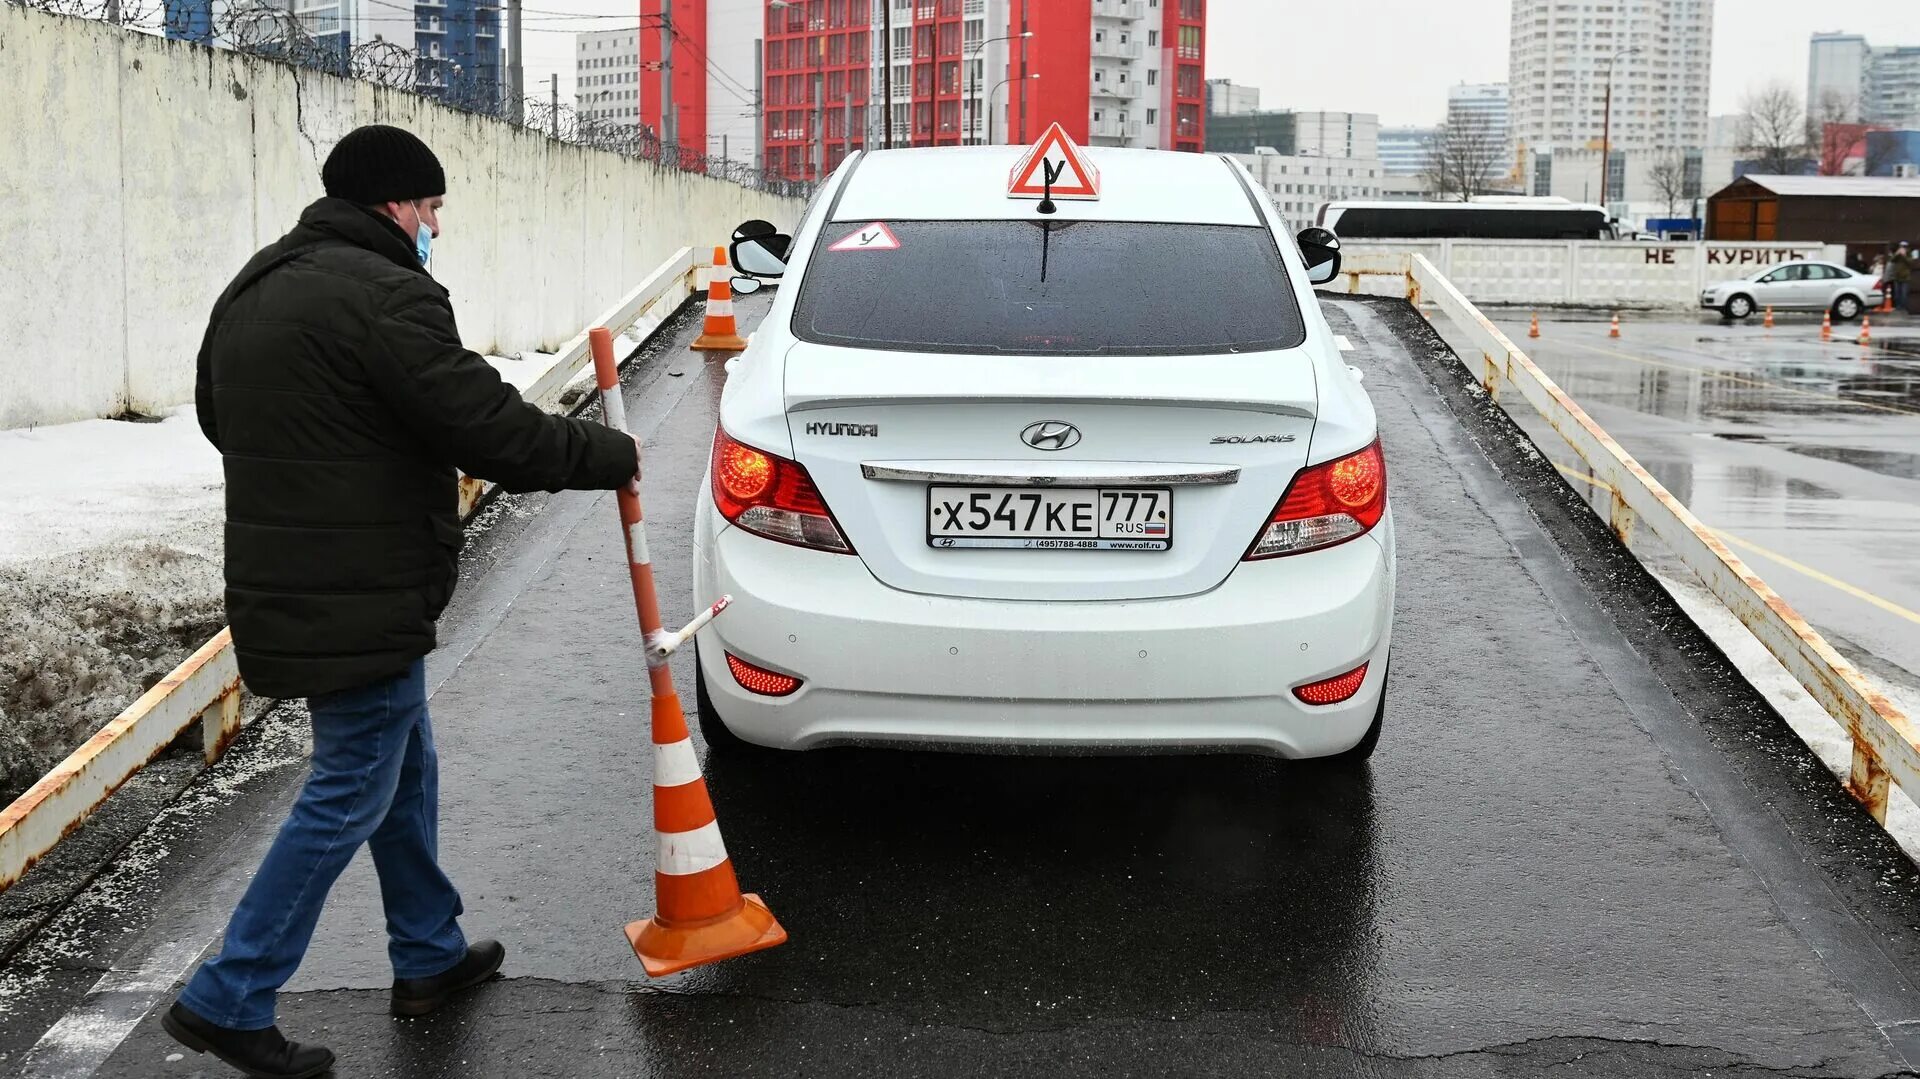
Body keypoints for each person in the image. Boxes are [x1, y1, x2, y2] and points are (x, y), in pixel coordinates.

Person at [164, 125, 643, 1079]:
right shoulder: (387, 294)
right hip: (361, 583)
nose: (434, 225)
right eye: (430, 207)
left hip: (296, 573)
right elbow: (482, 423)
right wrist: (606, 453)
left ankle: (426, 949)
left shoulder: (255, 286)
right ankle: (230, 993)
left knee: (401, 758)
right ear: (393, 204)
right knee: (352, 782)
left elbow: (226, 418)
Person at [1891, 241, 1912, 313]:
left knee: (1904, 293)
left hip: (1905, 277)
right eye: (1901, 246)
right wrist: (1896, 254)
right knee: (1897, 293)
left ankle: (1904, 307)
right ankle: (1898, 306)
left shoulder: (1909, 254)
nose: (1902, 248)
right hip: (1897, 276)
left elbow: (1910, 262)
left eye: (1903, 247)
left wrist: (1904, 255)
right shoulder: (1897, 255)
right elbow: (1892, 260)